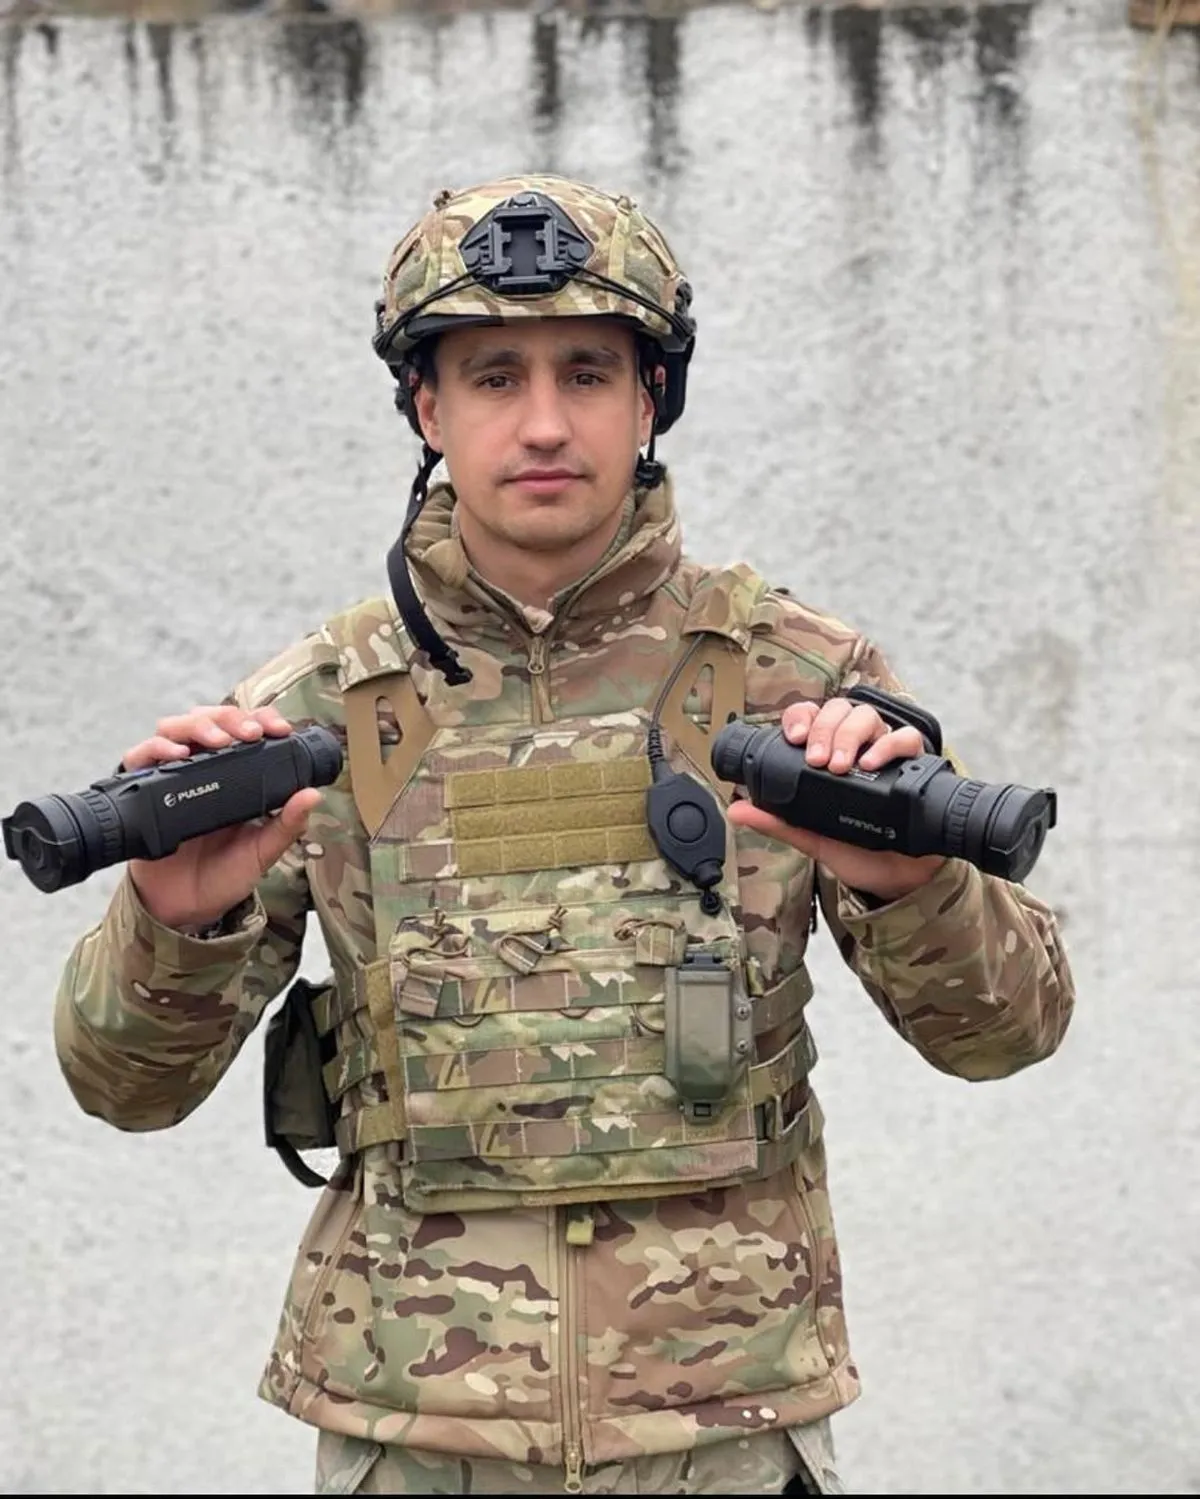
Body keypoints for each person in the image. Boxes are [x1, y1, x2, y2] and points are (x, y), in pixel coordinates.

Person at [52, 173, 1076, 1497]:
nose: (544, 422)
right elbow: (122, 1088)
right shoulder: (320, 710)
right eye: (493, 376)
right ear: (428, 408)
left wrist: (916, 885)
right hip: (418, 1432)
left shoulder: (798, 680)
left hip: (723, 1425)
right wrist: (175, 920)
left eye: (586, 372)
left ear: (651, 396)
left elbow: (1009, 1032)